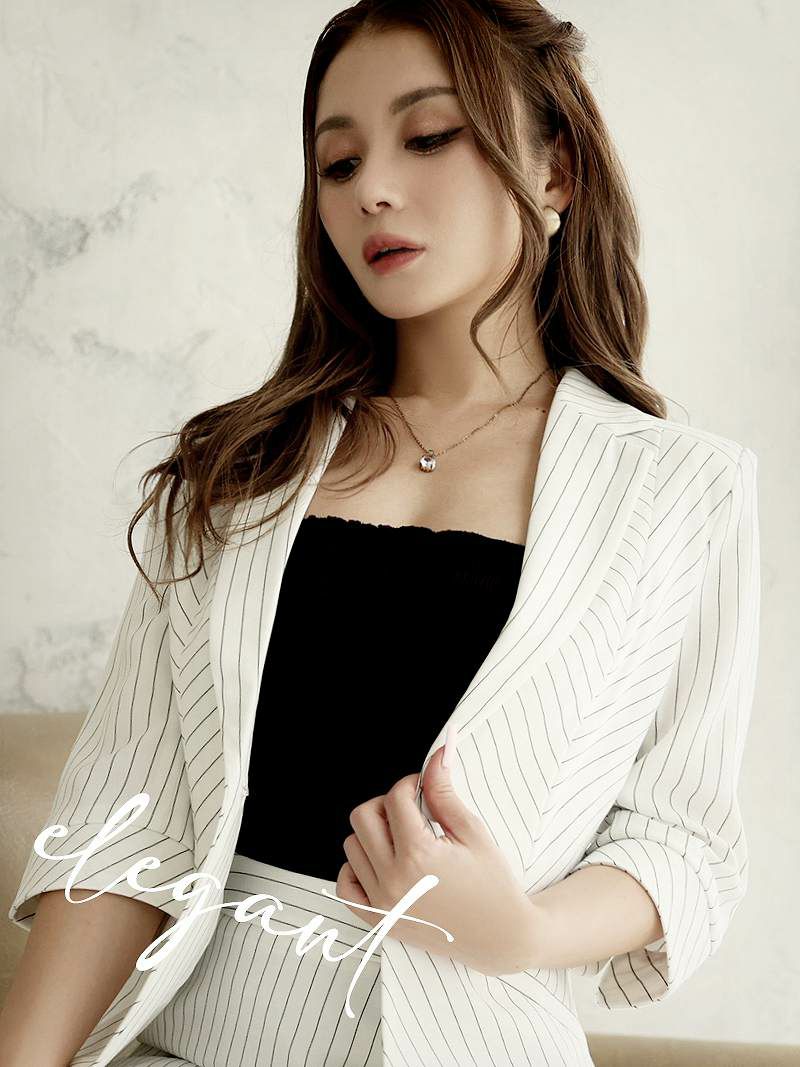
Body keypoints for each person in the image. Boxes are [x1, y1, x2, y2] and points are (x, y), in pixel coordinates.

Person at [0, 2, 760, 1065]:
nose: (372, 190)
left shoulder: (681, 488)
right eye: (338, 162)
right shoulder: (237, 467)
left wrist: (522, 930)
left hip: (479, 1035)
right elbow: (123, 824)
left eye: (430, 135)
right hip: (198, 1036)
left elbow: (681, 837)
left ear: (556, 172)